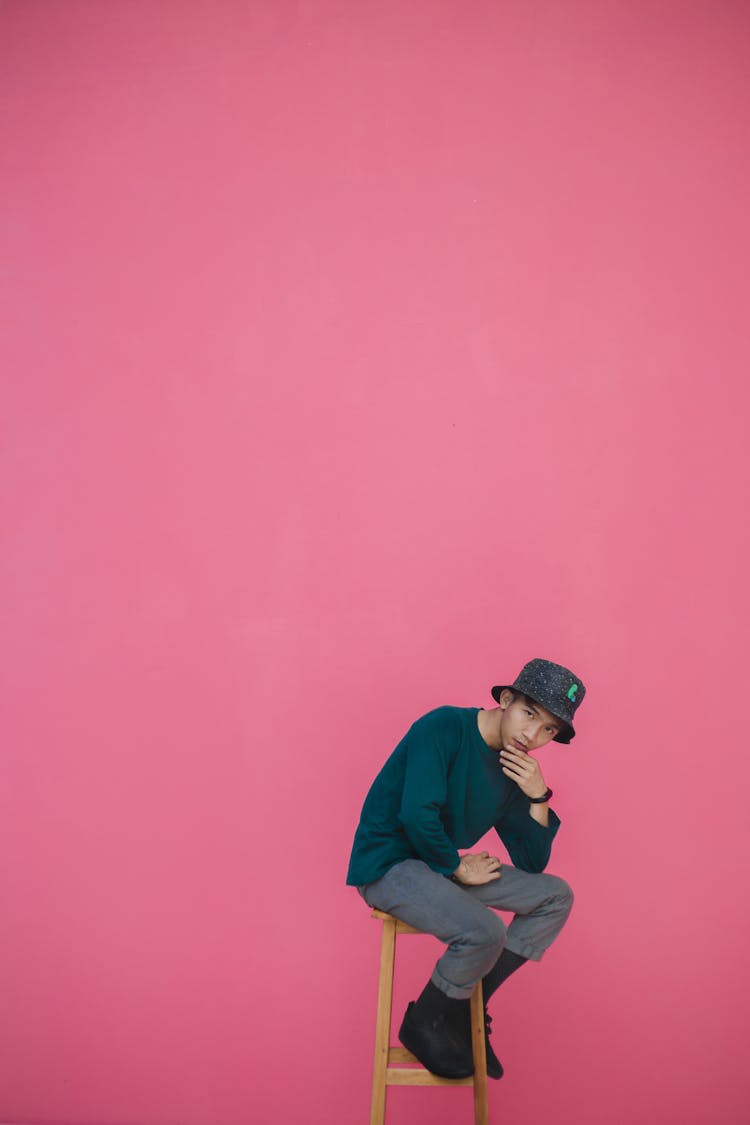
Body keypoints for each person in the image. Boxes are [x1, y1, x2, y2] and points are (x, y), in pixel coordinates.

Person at [346, 658, 585, 1080]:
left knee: (555, 896)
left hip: (436, 868)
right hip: (390, 863)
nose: (533, 734)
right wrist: (455, 865)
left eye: (548, 728)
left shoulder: (514, 766)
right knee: (484, 931)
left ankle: (464, 1006)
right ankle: (423, 1023)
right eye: (529, 714)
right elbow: (417, 815)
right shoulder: (442, 727)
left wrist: (538, 794)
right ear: (506, 700)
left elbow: (532, 862)